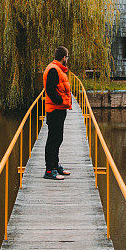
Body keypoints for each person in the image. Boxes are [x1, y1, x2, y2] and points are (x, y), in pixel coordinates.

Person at [42, 46, 73, 180]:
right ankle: (49, 170)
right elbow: (50, 89)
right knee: (53, 140)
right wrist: (60, 101)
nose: (67, 59)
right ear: (64, 57)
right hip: (55, 110)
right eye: (67, 57)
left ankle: (55, 166)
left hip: (59, 109)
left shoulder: (57, 69)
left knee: (58, 138)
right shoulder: (54, 70)